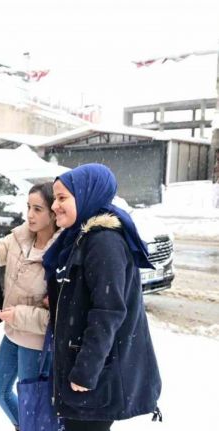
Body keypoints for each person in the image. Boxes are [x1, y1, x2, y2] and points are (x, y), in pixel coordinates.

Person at [43, 163, 162, 431]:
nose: (54, 206)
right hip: (87, 369)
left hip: (97, 375)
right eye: (55, 198)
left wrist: (86, 370)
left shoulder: (103, 241)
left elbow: (108, 311)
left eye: (63, 198)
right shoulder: (80, 236)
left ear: (87, 195)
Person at [0, 182, 60, 430]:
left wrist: (19, 315)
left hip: (37, 341)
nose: (30, 214)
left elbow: (59, 316)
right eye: (28, 207)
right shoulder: (20, 237)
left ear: (53, 212)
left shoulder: (61, 251)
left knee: (34, 403)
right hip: (13, 332)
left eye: (38, 209)